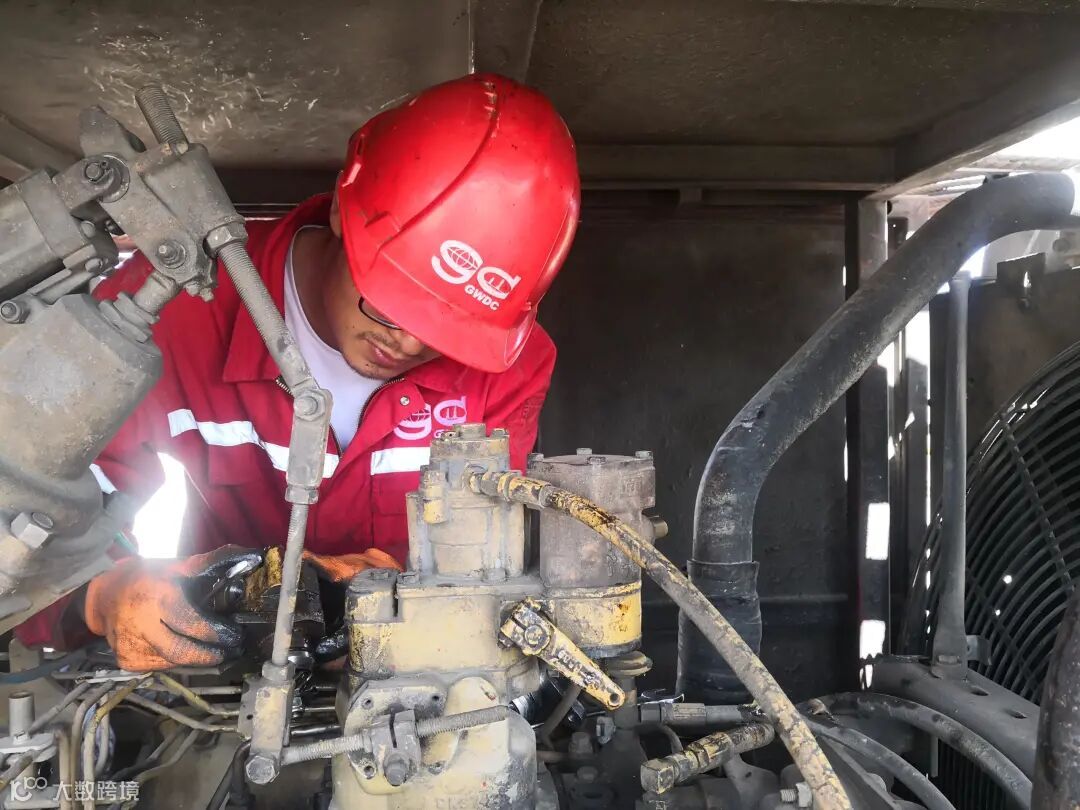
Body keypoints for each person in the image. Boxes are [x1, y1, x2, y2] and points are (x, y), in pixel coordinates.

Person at [16, 73, 580, 670]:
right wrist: (103, 596)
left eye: (448, 329)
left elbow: (490, 564)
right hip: (215, 670)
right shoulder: (168, 313)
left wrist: (394, 582)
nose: (410, 341)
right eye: (392, 304)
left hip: (417, 678)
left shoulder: (505, 363)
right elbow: (37, 522)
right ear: (342, 207)